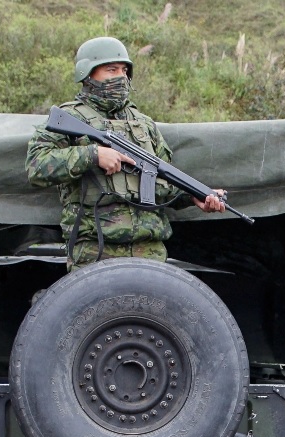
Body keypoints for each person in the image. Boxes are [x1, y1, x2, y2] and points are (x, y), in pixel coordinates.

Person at [26, 36, 227, 269]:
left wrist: (194, 195)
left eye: (124, 71)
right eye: (111, 70)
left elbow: (161, 179)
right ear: (87, 74)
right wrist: (92, 155)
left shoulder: (144, 124)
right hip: (96, 249)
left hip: (149, 250)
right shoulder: (70, 118)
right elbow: (36, 166)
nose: (120, 77)